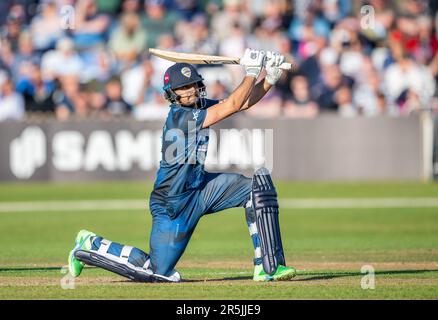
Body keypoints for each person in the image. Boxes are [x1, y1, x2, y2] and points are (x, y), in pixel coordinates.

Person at [67, 48, 296, 282]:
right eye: (184, 88)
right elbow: (232, 105)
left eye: (194, 84)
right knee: (158, 273)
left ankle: (267, 266)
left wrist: (269, 78)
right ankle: (90, 245)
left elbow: (243, 103)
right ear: (172, 94)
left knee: (256, 190)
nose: (191, 90)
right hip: (172, 203)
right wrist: (250, 72)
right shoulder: (180, 117)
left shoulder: (198, 106)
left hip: (201, 188)